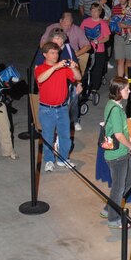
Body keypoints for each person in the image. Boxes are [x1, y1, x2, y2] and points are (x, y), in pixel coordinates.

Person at [100, 77, 131, 229]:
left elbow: (123, 129)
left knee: (129, 180)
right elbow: (118, 135)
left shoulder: (114, 105)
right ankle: (113, 218)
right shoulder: (116, 110)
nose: (129, 91)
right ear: (118, 91)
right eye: (126, 89)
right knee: (118, 187)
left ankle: (108, 208)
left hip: (122, 152)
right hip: (117, 155)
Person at [34, 41, 80, 172]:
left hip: (62, 108)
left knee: (65, 135)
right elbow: (41, 79)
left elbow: (78, 77)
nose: (55, 56)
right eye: (52, 53)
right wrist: (55, 67)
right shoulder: (40, 69)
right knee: (48, 137)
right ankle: (49, 160)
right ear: (45, 55)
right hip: (46, 109)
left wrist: (72, 67)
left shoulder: (64, 69)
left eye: (56, 53)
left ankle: (63, 159)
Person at [80, 4, 110, 96]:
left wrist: (99, 41)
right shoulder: (85, 21)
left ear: (100, 12)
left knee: (97, 69)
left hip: (98, 50)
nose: (94, 13)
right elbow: (80, 33)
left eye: (96, 11)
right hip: (87, 49)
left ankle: (94, 88)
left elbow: (107, 37)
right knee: (85, 69)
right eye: (92, 11)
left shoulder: (103, 23)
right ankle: (84, 86)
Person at [111, 0, 131, 78]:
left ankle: (127, 79)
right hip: (119, 36)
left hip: (130, 36)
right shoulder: (115, 8)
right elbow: (113, 22)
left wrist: (125, 26)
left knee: (129, 60)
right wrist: (115, 26)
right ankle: (120, 81)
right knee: (120, 60)